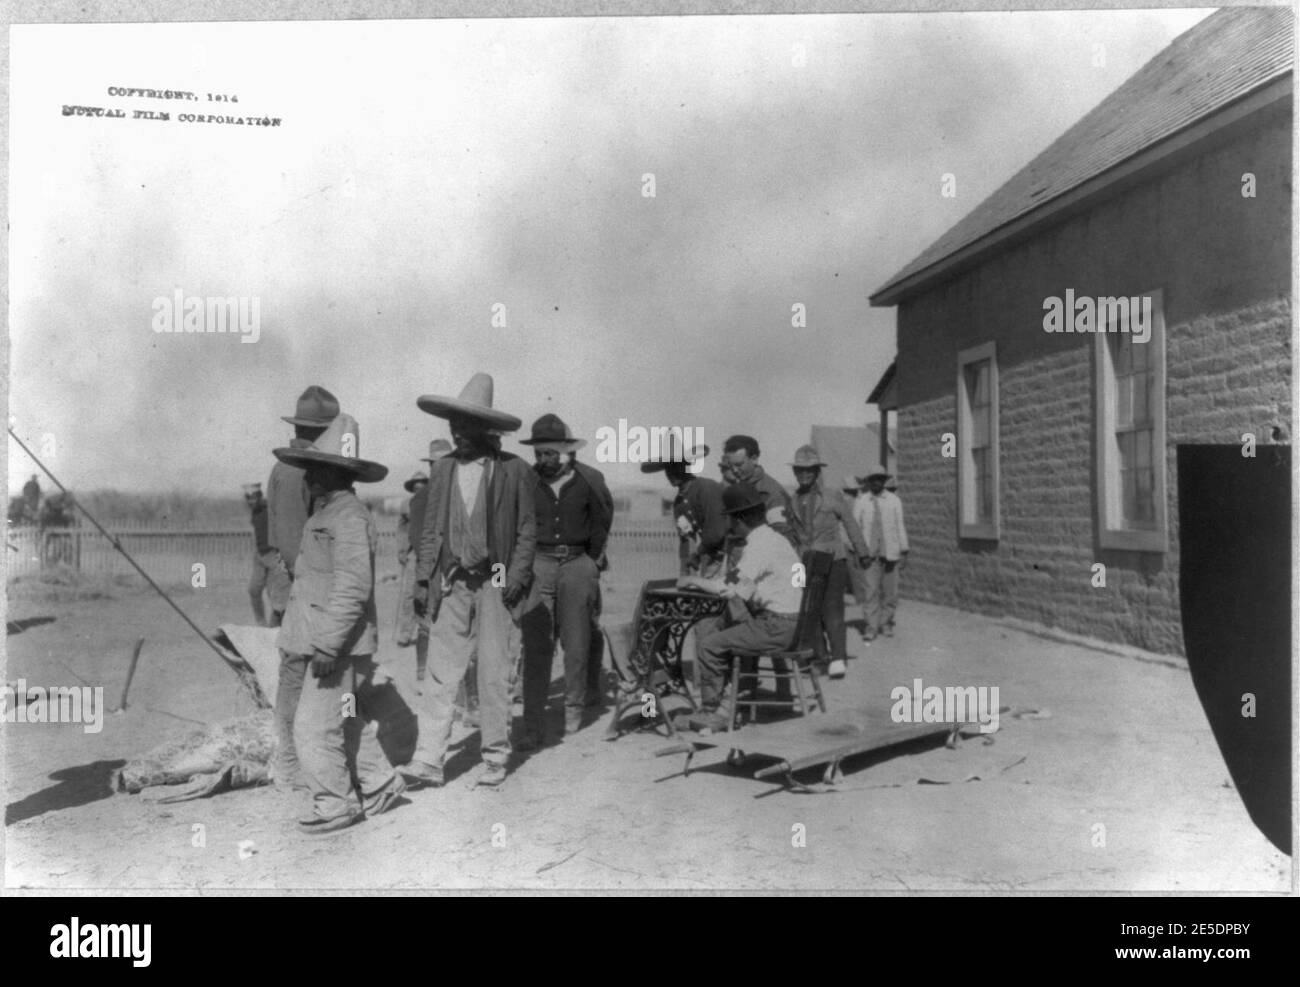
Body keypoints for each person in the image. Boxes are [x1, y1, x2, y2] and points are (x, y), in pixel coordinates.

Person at [273, 413, 405, 835]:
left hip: (336, 647)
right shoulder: (327, 512)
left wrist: (328, 646)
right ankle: (382, 783)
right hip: (321, 640)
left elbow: (352, 587)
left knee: (313, 727)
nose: (308, 476)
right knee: (341, 722)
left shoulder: (347, 518)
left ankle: (336, 804)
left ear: (338, 473)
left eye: (316, 468)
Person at [407, 373, 536, 789]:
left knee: (494, 672)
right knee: (441, 673)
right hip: (453, 581)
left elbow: (527, 530)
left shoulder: (513, 470)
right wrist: (425, 579)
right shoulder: (443, 470)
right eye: (453, 425)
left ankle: (496, 756)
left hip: (496, 578)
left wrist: (513, 577)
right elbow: (430, 530)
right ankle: (428, 761)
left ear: (486, 429)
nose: (458, 433)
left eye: (467, 426)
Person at [517, 414, 613, 749]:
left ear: (566, 452)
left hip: (577, 564)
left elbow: (603, 519)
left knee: (577, 643)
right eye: (539, 453)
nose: (543, 460)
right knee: (537, 644)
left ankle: (573, 712)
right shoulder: (526, 481)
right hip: (539, 563)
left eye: (549, 454)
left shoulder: (590, 479)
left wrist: (592, 562)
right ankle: (532, 724)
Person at [678, 483, 803, 732]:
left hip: (777, 627)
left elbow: (727, 587)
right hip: (795, 624)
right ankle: (733, 704)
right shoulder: (776, 540)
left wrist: (693, 580)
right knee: (738, 630)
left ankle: (714, 712)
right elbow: (743, 586)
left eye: (731, 520)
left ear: (741, 519)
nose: (729, 526)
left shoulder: (758, 546)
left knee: (710, 645)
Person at [266, 384, 339, 791]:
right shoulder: (301, 470)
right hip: (303, 586)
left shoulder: (290, 466)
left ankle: (298, 759)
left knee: (300, 672)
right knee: (300, 672)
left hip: (297, 584)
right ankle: (292, 764)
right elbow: (296, 545)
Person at [788, 446, 869, 679]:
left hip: (833, 560)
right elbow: (793, 534)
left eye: (809, 470)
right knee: (807, 610)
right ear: (795, 472)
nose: (804, 475)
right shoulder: (793, 500)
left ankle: (838, 657)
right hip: (804, 562)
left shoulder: (833, 496)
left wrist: (862, 552)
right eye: (800, 470)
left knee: (832, 609)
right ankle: (818, 655)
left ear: (816, 472)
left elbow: (851, 523)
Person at [642, 439, 725, 577]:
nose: (671, 474)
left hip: (727, 556)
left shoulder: (706, 488)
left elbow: (716, 533)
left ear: (688, 466)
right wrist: (684, 570)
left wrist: (698, 555)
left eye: (677, 467)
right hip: (707, 557)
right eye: (668, 469)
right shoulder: (679, 503)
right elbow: (686, 538)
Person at [854, 468, 910, 640]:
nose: (876, 482)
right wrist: (859, 552)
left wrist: (904, 550)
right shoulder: (862, 501)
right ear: (868, 482)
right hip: (870, 555)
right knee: (870, 590)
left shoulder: (893, 500)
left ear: (884, 481)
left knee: (890, 591)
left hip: (890, 553)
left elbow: (899, 525)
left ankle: (886, 622)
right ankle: (871, 626)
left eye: (880, 479)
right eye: (873, 479)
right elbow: (855, 528)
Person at [720, 435, 797, 547]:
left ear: (754, 459)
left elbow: (782, 539)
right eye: (731, 465)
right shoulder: (735, 486)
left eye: (739, 464)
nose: (734, 470)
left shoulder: (772, 493)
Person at [243, 482, 290, 627]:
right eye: (248, 499)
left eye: (253, 498)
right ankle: (261, 623)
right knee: (253, 590)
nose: (251, 501)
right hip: (260, 556)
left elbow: (283, 529)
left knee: (275, 595)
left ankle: (274, 629)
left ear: (259, 496)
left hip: (273, 555)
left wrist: (280, 553)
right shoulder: (254, 511)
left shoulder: (270, 509)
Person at [838, 475, 871, 631]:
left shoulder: (841, 502)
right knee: (860, 582)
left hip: (841, 544)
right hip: (850, 545)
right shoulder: (854, 503)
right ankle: (867, 616)